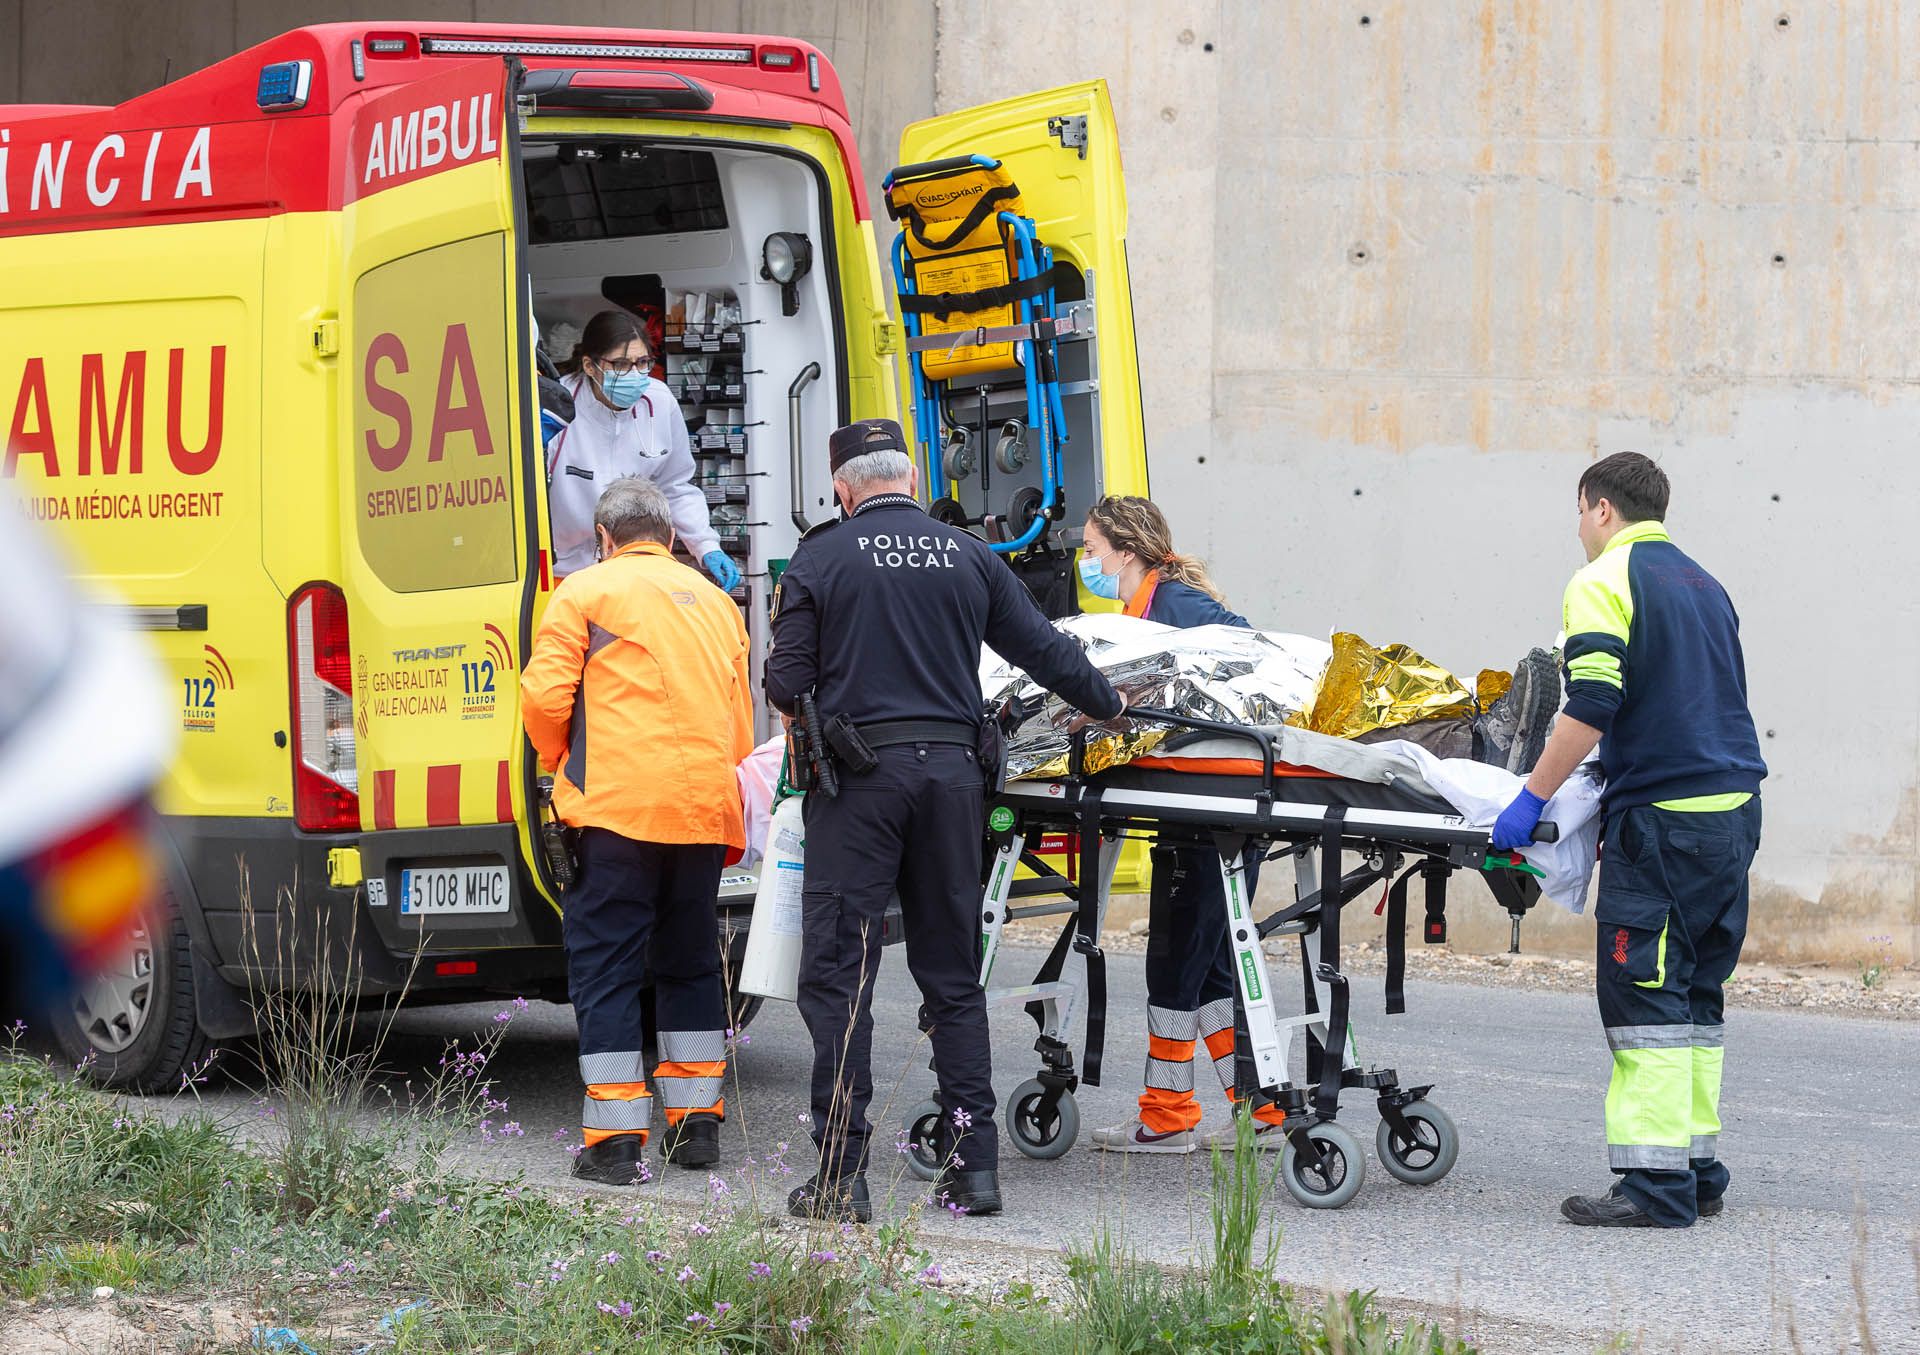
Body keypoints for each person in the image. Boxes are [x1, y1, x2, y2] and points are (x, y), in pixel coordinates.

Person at [765, 418, 1126, 1222]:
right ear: (911, 474)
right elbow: (1047, 650)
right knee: (953, 980)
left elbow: (787, 681)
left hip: (859, 787)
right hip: (955, 784)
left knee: (841, 976)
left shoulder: (822, 556)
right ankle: (974, 1172)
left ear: (843, 487)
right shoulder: (966, 555)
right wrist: (1110, 704)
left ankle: (840, 1179)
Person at [1490, 452, 1765, 1229]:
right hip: (1733, 813)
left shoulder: (1604, 578)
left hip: (1667, 821)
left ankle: (1653, 1188)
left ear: (1601, 508)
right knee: (1694, 995)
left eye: (1580, 513)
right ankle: (1696, 1167)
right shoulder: (1705, 583)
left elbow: (1594, 699)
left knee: (1642, 992)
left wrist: (1531, 796)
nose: (1579, 529)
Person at [520, 476, 755, 1186]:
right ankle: (696, 1127)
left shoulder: (586, 594)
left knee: (607, 968)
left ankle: (617, 1140)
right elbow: (739, 727)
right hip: (703, 813)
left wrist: (561, 764)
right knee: (689, 964)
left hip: (618, 810)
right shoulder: (717, 604)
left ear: (604, 538)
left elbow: (543, 698)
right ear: (671, 536)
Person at [1076, 495, 1290, 1155]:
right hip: (1201, 810)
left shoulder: (1175, 606)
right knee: (1214, 971)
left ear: (1127, 551)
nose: (1086, 562)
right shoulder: (1146, 610)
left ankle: (1166, 1115)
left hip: (1211, 813)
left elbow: (1252, 656)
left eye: (1092, 550)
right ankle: (1260, 1111)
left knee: (1174, 967)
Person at [545, 309, 742, 592]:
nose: (635, 374)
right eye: (621, 364)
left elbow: (674, 486)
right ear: (589, 365)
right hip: (562, 570)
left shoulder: (659, 402)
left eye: (642, 362)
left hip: (631, 570)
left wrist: (705, 545)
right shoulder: (558, 406)